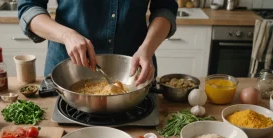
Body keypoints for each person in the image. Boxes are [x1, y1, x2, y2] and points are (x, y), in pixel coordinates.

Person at [18, 0, 178, 86]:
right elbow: (29, 8)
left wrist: (147, 48)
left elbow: (165, 8)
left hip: (133, 74)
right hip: (67, 75)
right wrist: (67, 35)